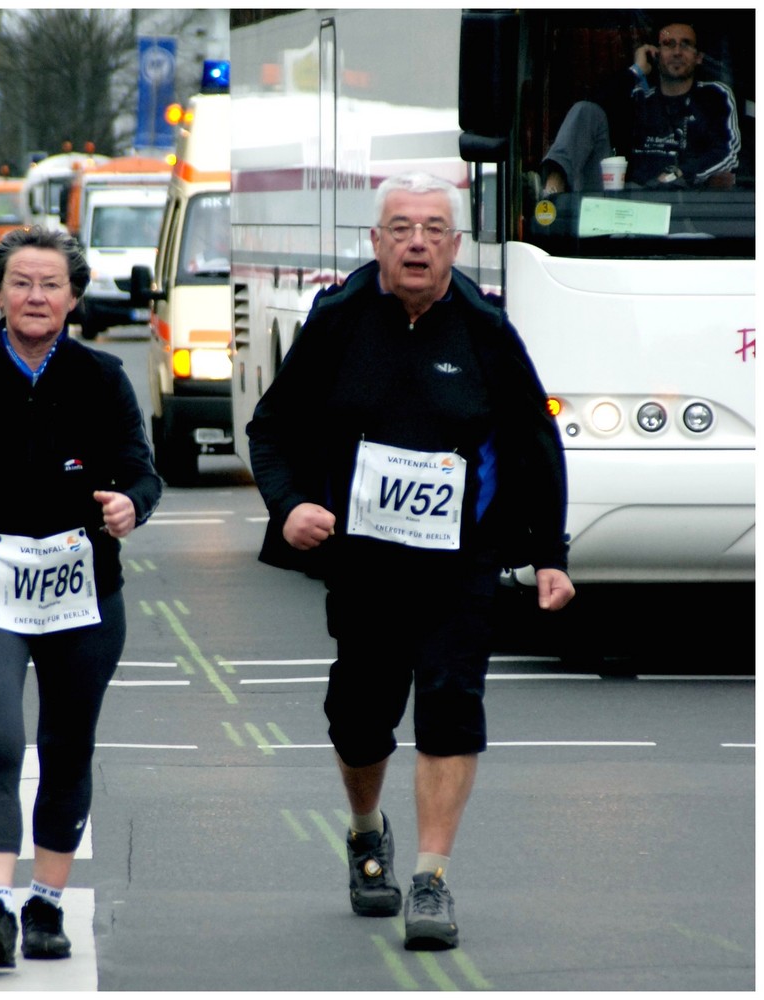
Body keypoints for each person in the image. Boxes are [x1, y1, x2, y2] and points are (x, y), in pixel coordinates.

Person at [247, 172, 575, 951]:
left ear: (456, 245)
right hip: (362, 563)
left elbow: (535, 443)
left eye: (432, 228)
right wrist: (290, 505)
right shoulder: (337, 321)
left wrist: (549, 555)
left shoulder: (485, 330)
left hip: (460, 562)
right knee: (359, 720)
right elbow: (270, 430)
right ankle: (367, 834)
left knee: (449, 703)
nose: (417, 242)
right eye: (400, 228)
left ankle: (430, 879)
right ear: (376, 241)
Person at [0, 226, 163, 968]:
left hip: (83, 590)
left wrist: (130, 507)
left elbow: (142, 473)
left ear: (74, 297)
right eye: (21, 282)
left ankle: (47, 899)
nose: (36, 296)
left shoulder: (102, 377)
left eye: (51, 284)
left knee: (66, 745)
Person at [541, 20, 740, 195]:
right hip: (627, 205)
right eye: (669, 44)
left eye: (686, 45)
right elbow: (588, 110)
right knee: (585, 111)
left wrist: (679, 173)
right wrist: (635, 71)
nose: (677, 52)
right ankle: (551, 195)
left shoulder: (715, 96)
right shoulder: (638, 95)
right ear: (656, 54)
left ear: (698, 57)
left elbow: (727, 152)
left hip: (686, 208)